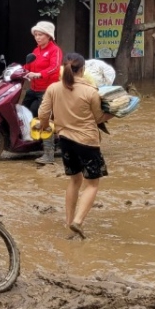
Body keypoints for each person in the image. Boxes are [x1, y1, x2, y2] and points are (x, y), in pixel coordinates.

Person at [36, 53, 110, 239]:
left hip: (65, 141)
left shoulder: (53, 88)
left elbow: (43, 113)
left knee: (74, 180)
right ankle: (78, 221)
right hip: (87, 142)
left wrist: (44, 127)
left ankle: (69, 223)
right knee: (92, 184)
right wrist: (117, 112)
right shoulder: (91, 92)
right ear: (83, 70)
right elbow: (99, 117)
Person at [22, 20, 63, 163]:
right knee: (24, 111)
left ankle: (48, 154)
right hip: (34, 88)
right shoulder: (36, 50)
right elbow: (28, 65)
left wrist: (40, 74)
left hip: (48, 90)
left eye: (41, 35)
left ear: (49, 36)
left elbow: (55, 67)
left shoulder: (55, 50)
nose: (38, 38)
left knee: (44, 117)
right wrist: (21, 70)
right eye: (36, 35)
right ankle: (32, 140)